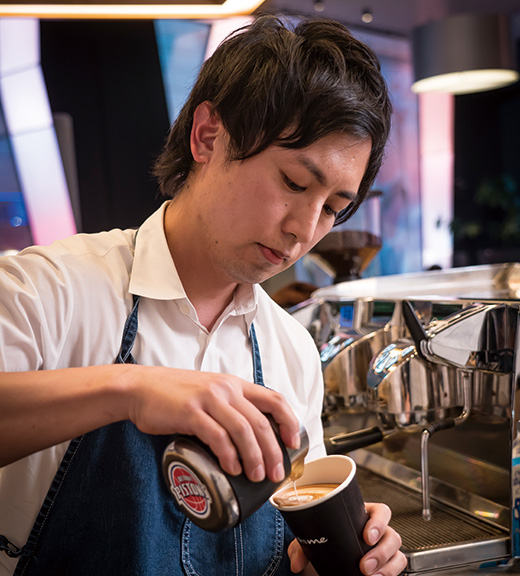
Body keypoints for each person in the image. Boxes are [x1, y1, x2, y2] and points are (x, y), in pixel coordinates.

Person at [0, 14, 406, 576]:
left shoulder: (292, 353)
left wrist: (318, 558)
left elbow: (293, 531)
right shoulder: (49, 289)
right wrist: (129, 388)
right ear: (208, 136)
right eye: (293, 183)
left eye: (333, 209)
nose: (304, 231)